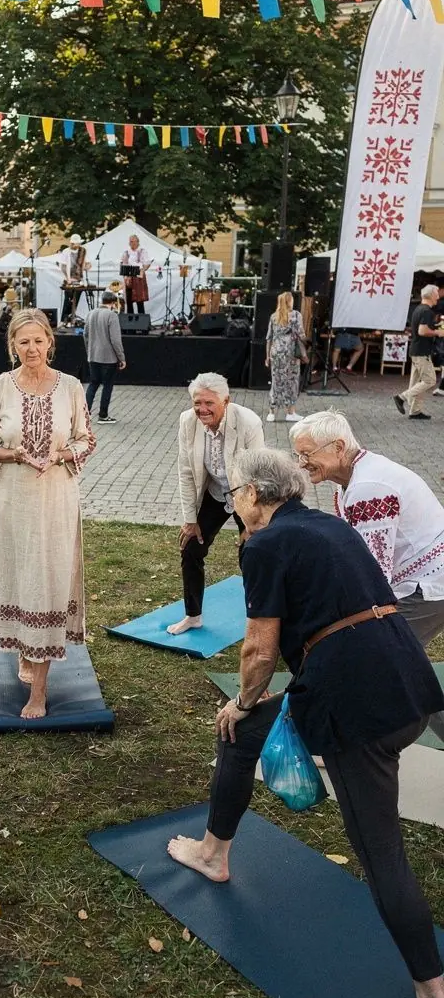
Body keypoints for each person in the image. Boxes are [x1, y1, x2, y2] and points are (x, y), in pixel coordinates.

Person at [166, 448, 444, 998]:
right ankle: (214, 852)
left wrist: (243, 698)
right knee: (241, 739)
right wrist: (250, 711)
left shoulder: (265, 543)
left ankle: (434, 989)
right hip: (407, 684)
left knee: (380, 851)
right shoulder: (328, 525)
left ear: (256, 495)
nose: (231, 502)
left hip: (358, 705)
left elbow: (259, 650)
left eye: (234, 492)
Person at [0, 307, 96, 719]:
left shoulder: (72, 387)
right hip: (7, 499)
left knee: (47, 580)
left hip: (55, 501)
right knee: (16, 577)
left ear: (50, 342)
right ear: (12, 346)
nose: (32, 348)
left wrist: (61, 453)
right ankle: (25, 647)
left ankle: (39, 690)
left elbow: (87, 439)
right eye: (23, 341)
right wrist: (13, 454)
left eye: (38, 340)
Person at [291, 410, 444, 740]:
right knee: (401, 663)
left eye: (307, 454)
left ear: (338, 447)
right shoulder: (354, 479)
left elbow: (373, 573)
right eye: (298, 454)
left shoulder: (368, 487)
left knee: (379, 660)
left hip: (428, 587)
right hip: (423, 582)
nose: (301, 463)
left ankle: (352, 741)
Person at [170, 373, 264, 636]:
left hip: (246, 494)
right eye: (197, 402)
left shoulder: (248, 422)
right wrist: (191, 519)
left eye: (209, 403)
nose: (202, 409)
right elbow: (186, 471)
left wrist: (251, 523)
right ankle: (193, 616)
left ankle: (259, 619)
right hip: (214, 492)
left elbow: (257, 476)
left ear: (226, 401)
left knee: (253, 552)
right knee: (190, 548)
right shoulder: (187, 421)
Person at [394, 284, 444, 420]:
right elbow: (423, 331)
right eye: (437, 294)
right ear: (432, 295)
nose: (438, 297)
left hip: (416, 350)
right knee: (430, 380)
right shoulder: (427, 311)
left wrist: (435, 326)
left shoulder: (418, 309)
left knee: (417, 382)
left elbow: (420, 328)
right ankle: (401, 397)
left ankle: (415, 411)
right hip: (422, 352)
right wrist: (438, 332)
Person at [84, 289, 126, 423]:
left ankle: (84, 415)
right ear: (113, 303)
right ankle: (103, 415)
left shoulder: (90, 314)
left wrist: (88, 351)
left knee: (93, 383)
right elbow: (115, 339)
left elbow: (85, 335)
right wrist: (121, 357)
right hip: (108, 358)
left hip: (93, 356)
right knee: (107, 385)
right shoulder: (112, 315)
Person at [265, 291, 306, 423]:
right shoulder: (295, 315)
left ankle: (271, 412)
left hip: (276, 353)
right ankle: (290, 412)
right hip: (291, 354)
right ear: (289, 301)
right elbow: (301, 335)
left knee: (276, 381)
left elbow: (269, 338)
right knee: (292, 381)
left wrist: (267, 356)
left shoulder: (274, 316)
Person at [59, 233, 90, 327]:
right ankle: (64, 320)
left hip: (79, 280)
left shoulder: (82, 251)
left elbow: (86, 264)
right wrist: (68, 278)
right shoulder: (66, 252)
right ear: (72, 244)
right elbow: (63, 266)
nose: (77, 246)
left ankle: (71, 319)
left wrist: (87, 266)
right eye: (75, 244)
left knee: (75, 301)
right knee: (68, 301)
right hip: (69, 281)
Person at [119, 234, 151, 315]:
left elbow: (147, 263)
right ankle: (130, 324)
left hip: (138, 277)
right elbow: (123, 264)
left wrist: (142, 270)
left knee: (139, 301)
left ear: (137, 242)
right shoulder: (126, 253)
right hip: (129, 276)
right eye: (130, 242)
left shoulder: (142, 251)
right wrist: (126, 277)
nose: (131, 243)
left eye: (133, 241)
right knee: (129, 301)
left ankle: (141, 324)